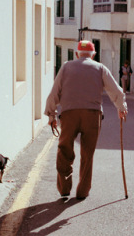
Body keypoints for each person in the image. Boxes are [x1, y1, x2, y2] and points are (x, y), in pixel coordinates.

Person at [44, 40, 128, 200]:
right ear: (93, 55)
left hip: (69, 114)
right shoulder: (100, 68)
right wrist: (121, 108)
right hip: (92, 116)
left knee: (64, 150)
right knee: (87, 154)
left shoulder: (66, 67)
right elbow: (116, 90)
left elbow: (54, 92)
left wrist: (51, 115)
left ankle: (64, 189)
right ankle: (82, 191)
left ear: (77, 54)